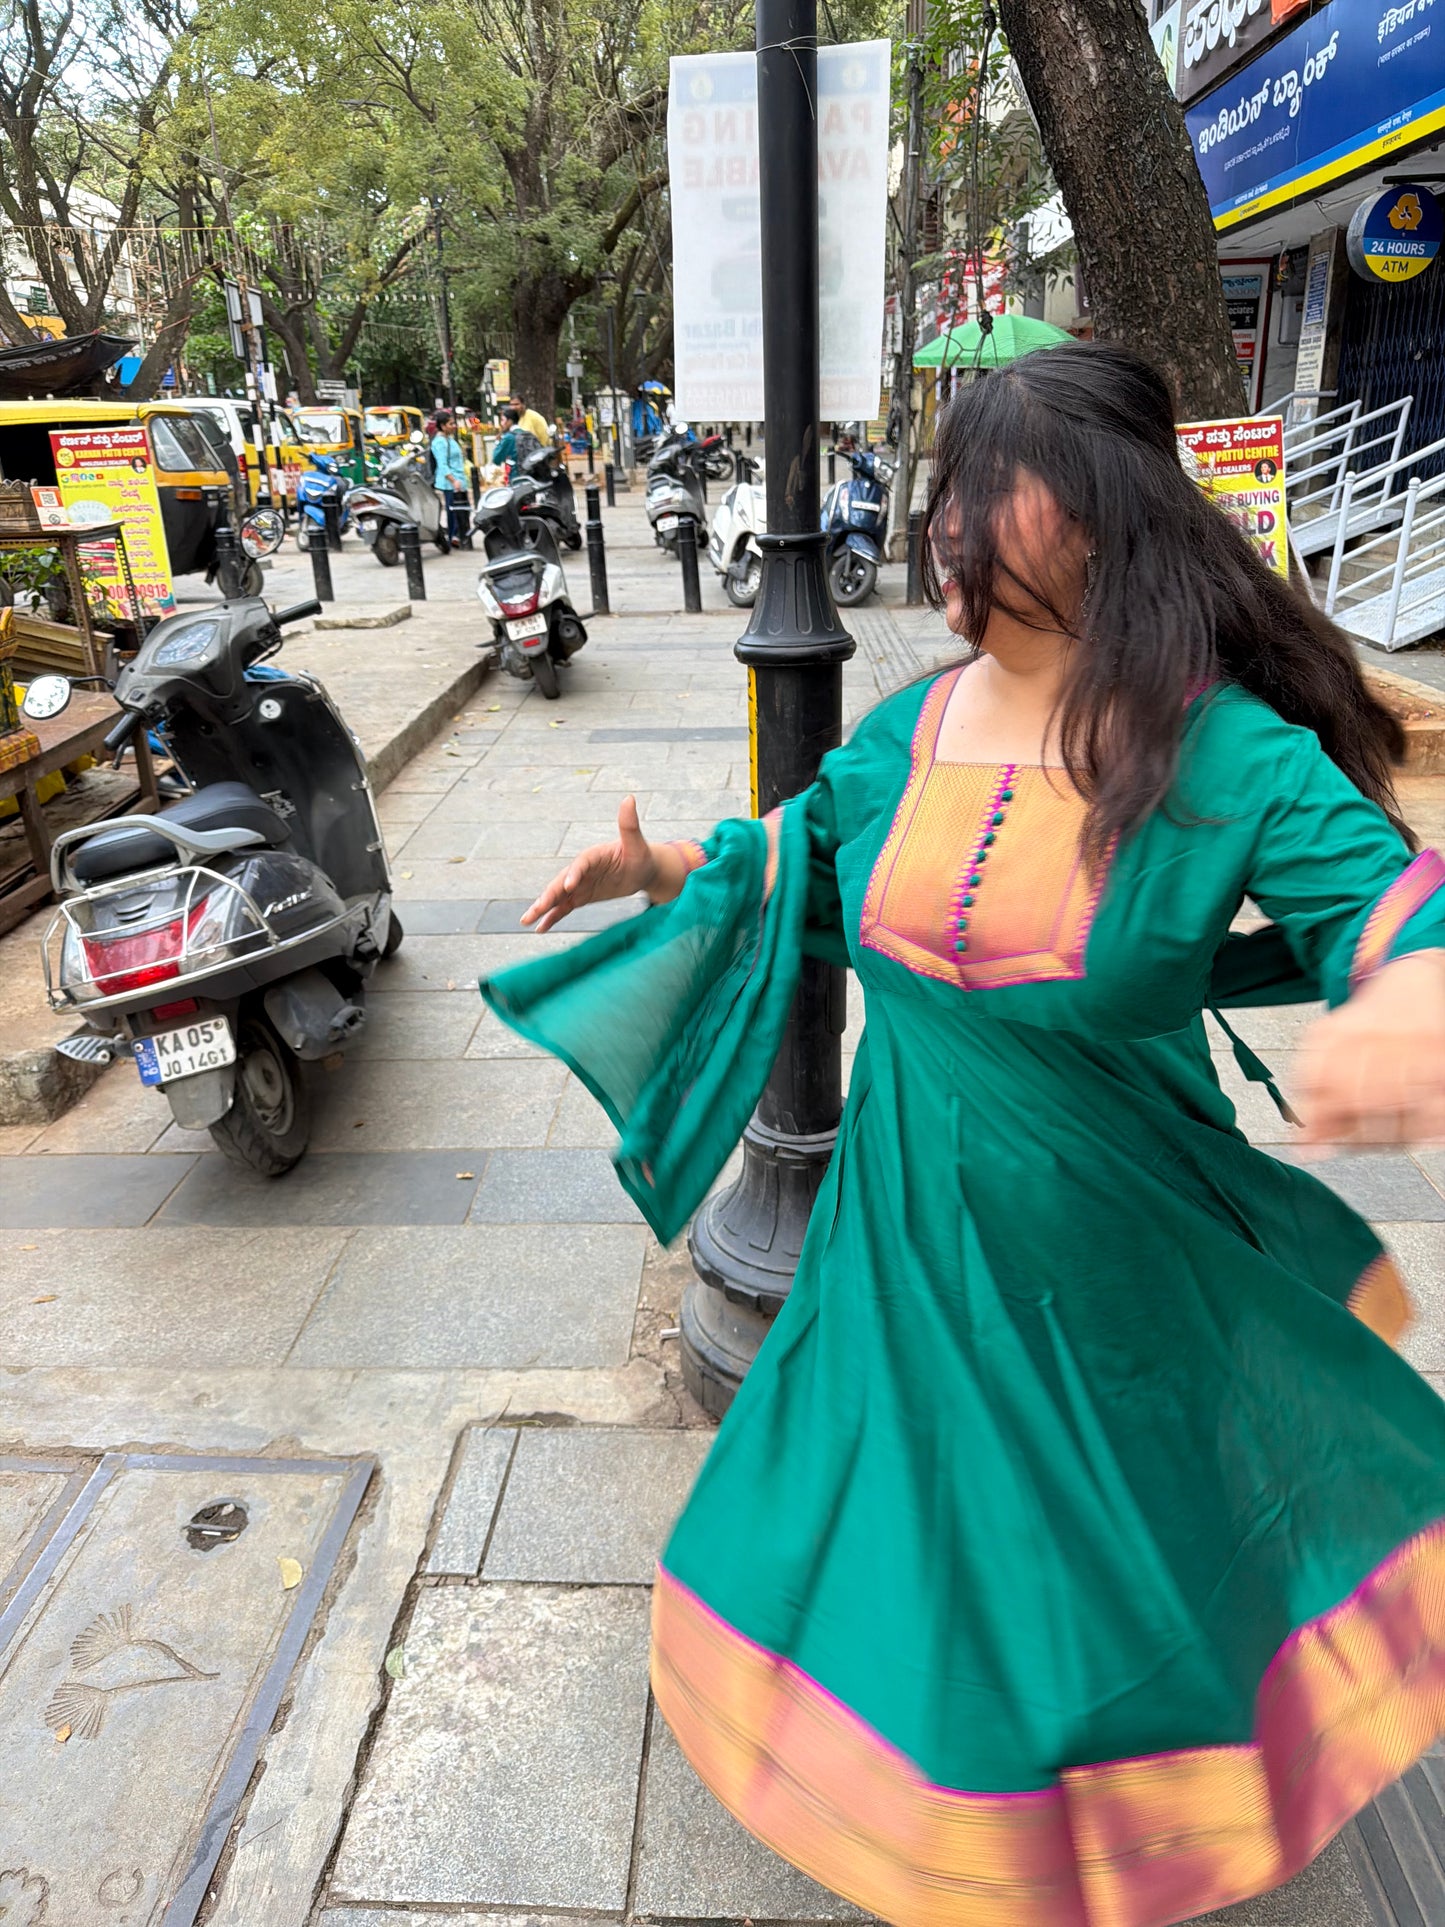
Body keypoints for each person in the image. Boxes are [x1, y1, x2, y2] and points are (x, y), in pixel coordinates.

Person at [480, 341, 1445, 1927]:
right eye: (952, 488)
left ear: (1111, 515)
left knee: (1117, 1556)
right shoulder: (912, 726)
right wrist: (658, 870)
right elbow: (797, 852)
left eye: (998, 489)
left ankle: (1136, 1820)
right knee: (910, 1520)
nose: (954, 524)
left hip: (1113, 1254)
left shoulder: (1227, 751)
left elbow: (1391, 911)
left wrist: (1406, 996)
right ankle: (943, 1821)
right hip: (903, 1228)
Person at [429, 411, 470, 544]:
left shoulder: (449, 439)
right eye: (451, 423)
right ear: (442, 425)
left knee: (463, 510)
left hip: (459, 480)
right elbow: (442, 464)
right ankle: (454, 536)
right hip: (450, 482)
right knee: (454, 511)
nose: (454, 426)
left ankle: (460, 535)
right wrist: (453, 480)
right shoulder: (439, 442)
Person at [491, 405, 523, 474]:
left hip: (516, 476)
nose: (501, 423)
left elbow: (496, 459)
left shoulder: (509, 437)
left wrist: (497, 441)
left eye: (502, 420)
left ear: (510, 421)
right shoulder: (526, 433)